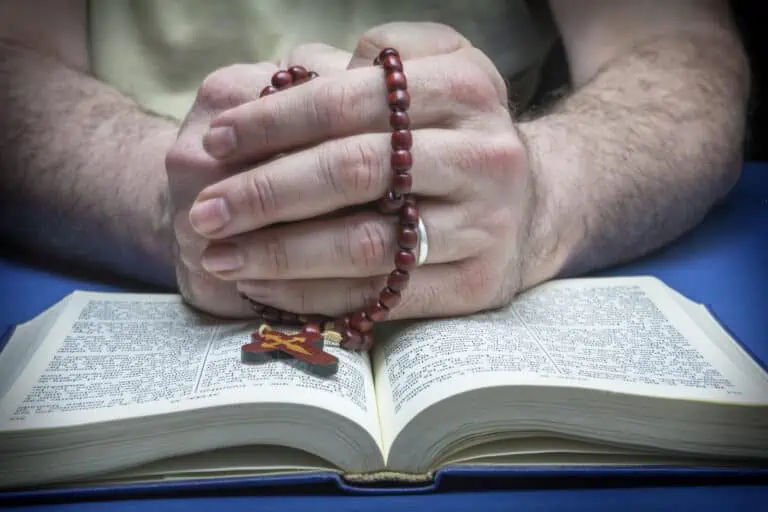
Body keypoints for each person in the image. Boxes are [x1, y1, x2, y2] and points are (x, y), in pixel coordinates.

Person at [0, 1, 750, 349]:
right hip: (120, 263)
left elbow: (677, 44)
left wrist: (546, 192)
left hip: (490, 234)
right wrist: (165, 205)